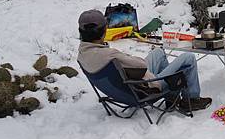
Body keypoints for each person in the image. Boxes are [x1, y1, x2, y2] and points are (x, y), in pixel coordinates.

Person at [76, 9, 212, 111]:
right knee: (188, 58)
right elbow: (141, 65)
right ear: (103, 32)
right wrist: (127, 57)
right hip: (145, 89)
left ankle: (171, 96)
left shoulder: (83, 54)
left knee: (158, 52)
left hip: (128, 86)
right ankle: (192, 99)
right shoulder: (109, 55)